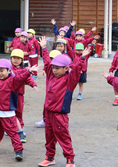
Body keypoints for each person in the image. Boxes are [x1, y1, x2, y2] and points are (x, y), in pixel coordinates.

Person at [38, 36, 91, 167]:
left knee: (63, 137)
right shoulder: (51, 75)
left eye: (57, 68)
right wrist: (44, 48)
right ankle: (50, 157)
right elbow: (46, 63)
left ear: (66, 69)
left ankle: (70, 159)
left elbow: (77, 69)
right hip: (48, 113)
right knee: (49, 137)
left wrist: (82, 58)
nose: (54, 70)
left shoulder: (69, 81)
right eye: (54, 67)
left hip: (60, 115)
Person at [0, 59, 38, 162]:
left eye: (2, 71)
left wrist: (29, 72)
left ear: (9, 71)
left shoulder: (13, 81)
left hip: (7, 113)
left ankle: (18, 151)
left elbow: (21, 78)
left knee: (12, 133)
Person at [10, 49, 38, 142]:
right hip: (9, 94)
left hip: (20, 94)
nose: (16, 60)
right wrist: (27, 71)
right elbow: (16, 74)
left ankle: (20, 129)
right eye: (14, 58)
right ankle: (10, 128)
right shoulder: (8, 69)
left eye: (18, 58)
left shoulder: (24, 70)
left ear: (22, 60)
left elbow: (28, 79)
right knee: (9, 111)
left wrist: (33, 85)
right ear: (10, 59)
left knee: (19, 112)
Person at [35, 50, 62, 128]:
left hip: (58, 96)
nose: (53, 61)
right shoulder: (50, 70)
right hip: (49, 94)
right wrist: (43, 49)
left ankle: (56, 122)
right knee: (46, 107)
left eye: (55, 59)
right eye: (51, 59)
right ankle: (45, 120)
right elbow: (46, 62)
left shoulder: (63, 74)